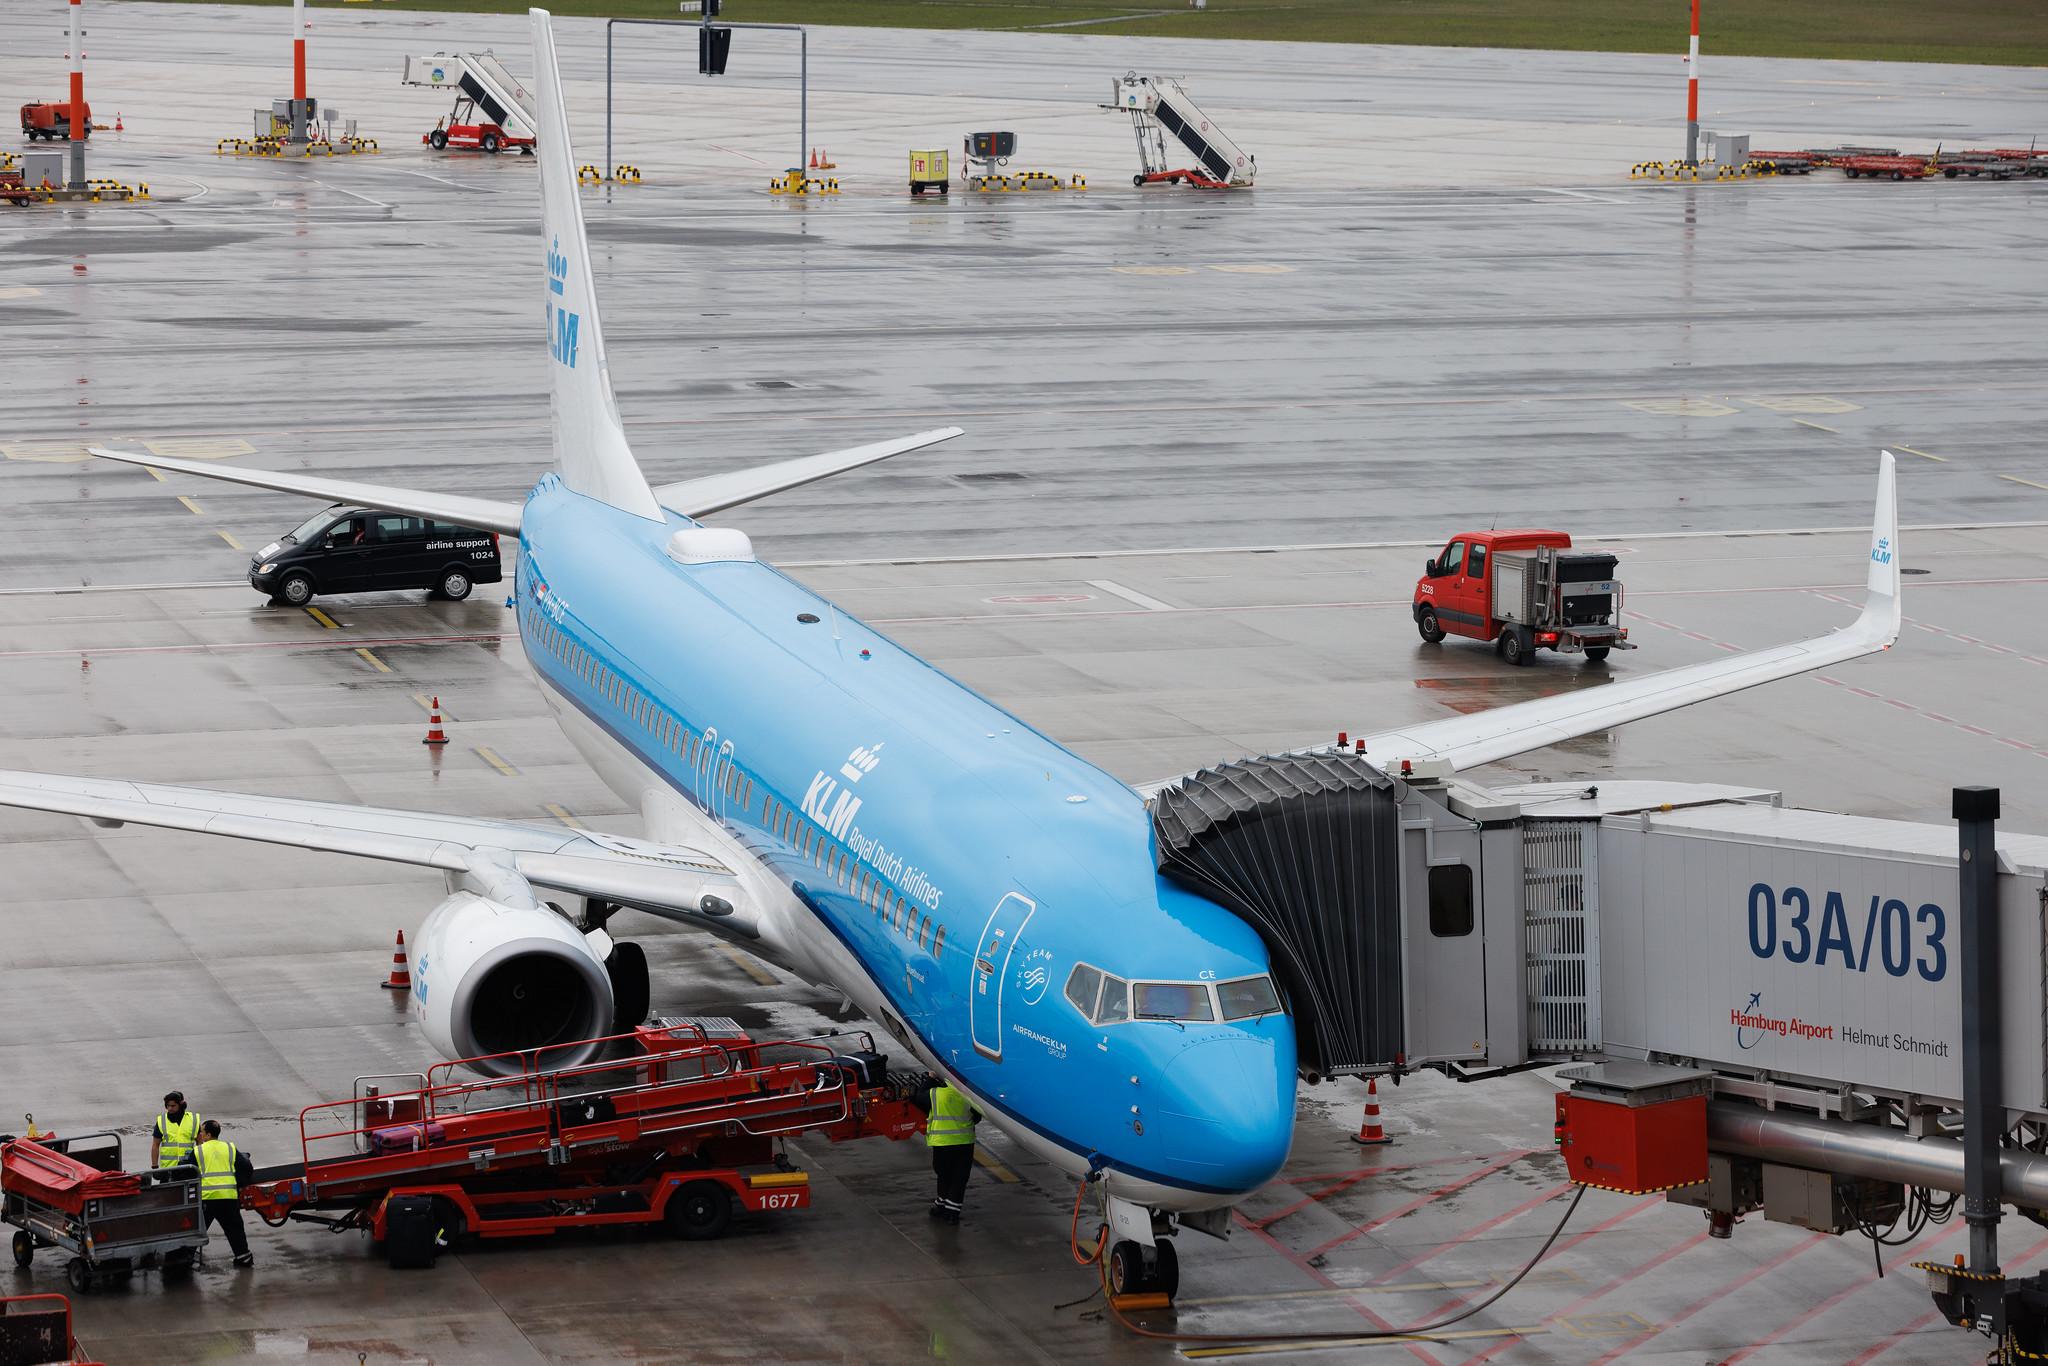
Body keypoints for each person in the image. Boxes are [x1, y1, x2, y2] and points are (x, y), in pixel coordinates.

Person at [181, 1120, 255, 1267]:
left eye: (201, 1132)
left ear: (208, 1134)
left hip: (208, 1198)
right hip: (228, 1197)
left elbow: (187, 1173)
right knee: (234, 1229)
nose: (200, 1135)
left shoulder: (198, 1151)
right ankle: (243, 1257)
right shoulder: (229, 1147)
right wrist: (237, 1184)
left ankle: (184, 1259)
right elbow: (247, 1168)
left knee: (197, 1230)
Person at [918, 1078, 980, 1224]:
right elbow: (977, 1117)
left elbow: (919, 1097)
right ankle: (952, 1212)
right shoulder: (968, 1095)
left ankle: (941, 1205)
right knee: (959, 1178)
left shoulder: (935, 1093)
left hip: (942, 1143)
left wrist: (930, 1079)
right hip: (964, 1142)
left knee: (944, 1175)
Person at [150, 1091, 201, 1170]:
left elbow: (200, 1144)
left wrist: (200, 1164)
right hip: (168, 1169)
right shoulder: (162, 1121)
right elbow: (155, 1145)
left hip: (188, 1168)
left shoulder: (193, 1120)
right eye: (168, 1106)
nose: (170, 1108)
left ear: (180, 1105)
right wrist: (154, 1166)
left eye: (173, 1106)